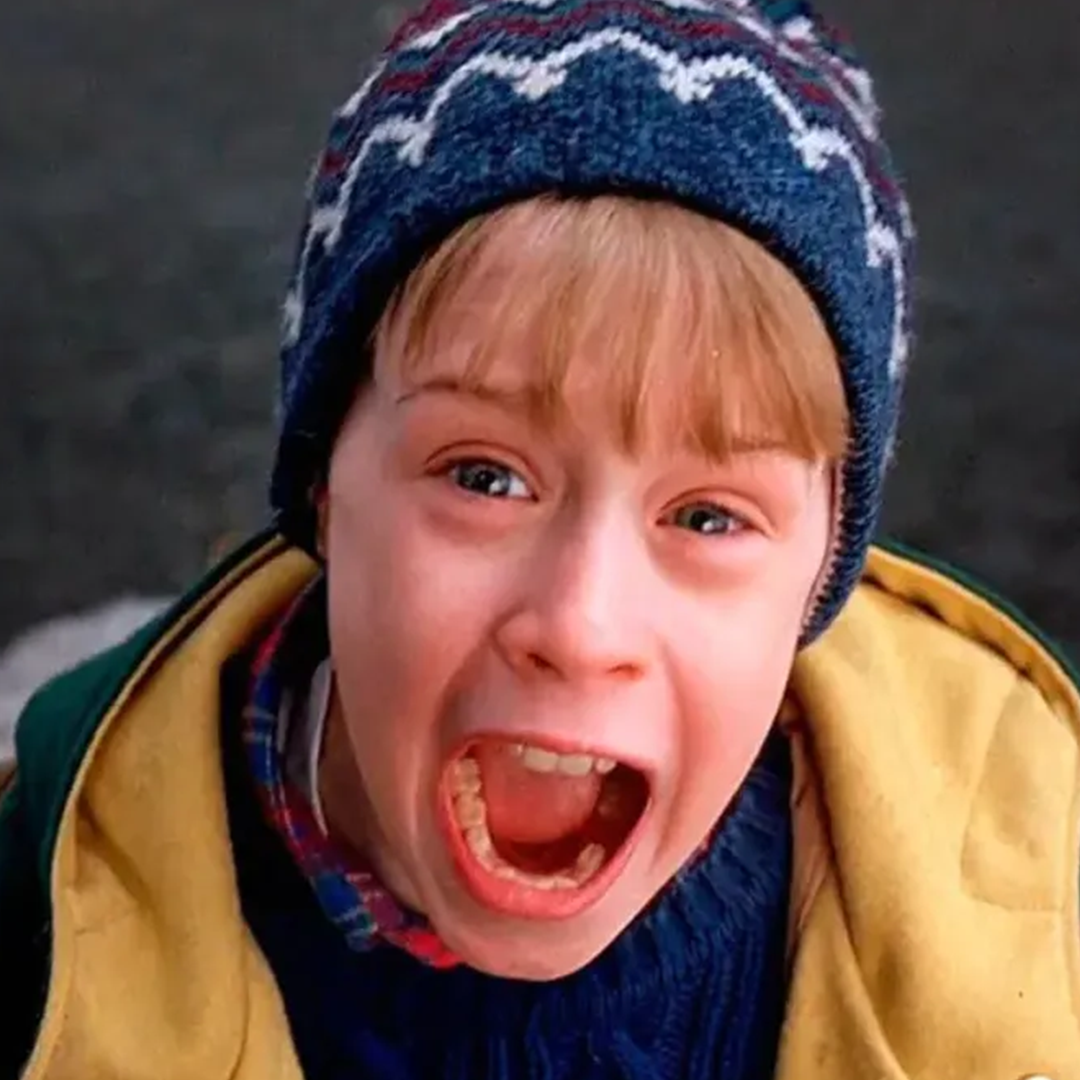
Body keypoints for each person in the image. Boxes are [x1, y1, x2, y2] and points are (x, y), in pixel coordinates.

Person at [2, 1, 1078, 1077]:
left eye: (708, 516)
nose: (579, 625)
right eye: (485, 477)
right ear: (325, 482)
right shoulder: (38, 909)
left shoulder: (1045, 879)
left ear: (820, 571)